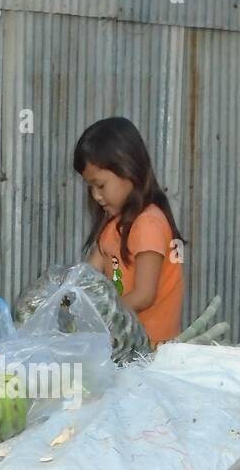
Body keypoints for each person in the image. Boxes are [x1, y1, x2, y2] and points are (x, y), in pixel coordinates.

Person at [73, 116, 185, 344]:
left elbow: (144, 296)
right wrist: (64, 301)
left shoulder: (149, 224)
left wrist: (98, 316)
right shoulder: (112, 225)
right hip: (124, 345)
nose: (95, 195)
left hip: (152, 352)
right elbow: (86, 277)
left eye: (101, 185)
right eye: (90, 187)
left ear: (128, 170)